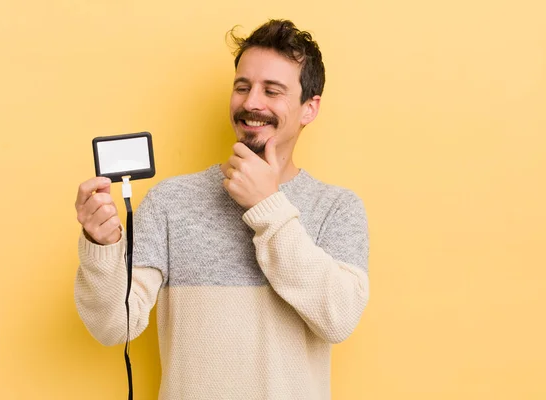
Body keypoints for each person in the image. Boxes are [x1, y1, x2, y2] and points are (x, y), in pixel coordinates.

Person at [74, 19, 369, 400]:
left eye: (272, 90)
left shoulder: (338, 208)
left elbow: (340, 317)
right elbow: (115, 324)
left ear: (309, 108)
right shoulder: (171, 201)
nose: (251, 103)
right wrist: (101, 246)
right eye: (242, 87)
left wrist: (268, 207)